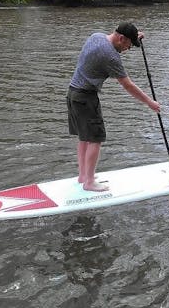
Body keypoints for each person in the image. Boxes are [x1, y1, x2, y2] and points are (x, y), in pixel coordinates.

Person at [67, 22, 161, 192]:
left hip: (73, 93)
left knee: (84, 137)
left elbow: (117, 42)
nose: (128, 49)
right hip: (86, 98)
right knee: (96, 139)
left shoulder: (96, 36)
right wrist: (150, 102)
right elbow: (128, 85)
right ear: (121, 38)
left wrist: (133, 36)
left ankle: (83, 176)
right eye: (128, 45)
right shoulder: (111, 57)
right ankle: (89, 183)